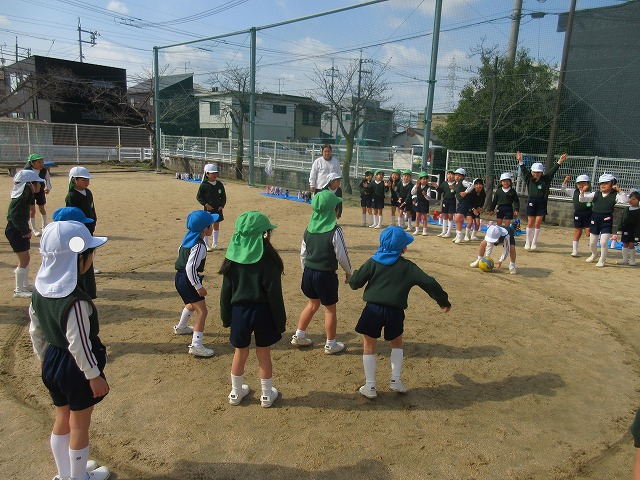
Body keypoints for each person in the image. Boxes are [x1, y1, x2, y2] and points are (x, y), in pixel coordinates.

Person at [28, 220, 111, 480]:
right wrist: (93, 375)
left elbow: (36, 330)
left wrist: (43, 358)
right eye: (90, 253)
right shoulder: (75, 301)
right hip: (76, 368)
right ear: (78, 259)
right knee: (79, 425)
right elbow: (79, 343)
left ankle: (65, 474)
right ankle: (78, 477)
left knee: (62, 417)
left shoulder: (38, 292)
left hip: (52, 360)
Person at [348, 226, 451, 398]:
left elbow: (355, 283)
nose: (407, 247)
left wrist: (353, 277)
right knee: (396, 344)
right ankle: (395, 380)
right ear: (402, 248)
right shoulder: (408, 267)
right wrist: (443, 301)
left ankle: (370, 386)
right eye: (405, 244)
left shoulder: (373, 262)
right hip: (395, 312)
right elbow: (429, 282)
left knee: (369, 346)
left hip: (372, 310)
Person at [219, 211, 286, 408]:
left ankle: (236, 392)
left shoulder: (232, 260)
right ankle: (266, 395)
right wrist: (280, 322)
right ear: (264, 234)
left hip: (239, 312)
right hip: (263, 313)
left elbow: (225, 293)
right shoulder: (271, 260)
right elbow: (275, 296)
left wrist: (226, 317)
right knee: (263, 353)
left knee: (240, 352)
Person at [292, 190, 352, 354]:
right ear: (333, 210)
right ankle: (331, 344)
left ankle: (299, 335)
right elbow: (342, 255)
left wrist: (306, 271)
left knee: (312, 304)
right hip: (325, 275)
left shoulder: (308, 229)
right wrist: (348, 272)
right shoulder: (335, 230)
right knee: (329, 309)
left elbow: (303, 254)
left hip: (309, 273)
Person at [174, 210, 220, 357]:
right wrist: (197, 285)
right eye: (211, 225)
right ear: (205, 229)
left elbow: (180, 258)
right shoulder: (199, 245)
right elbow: (191, 267)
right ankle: (196, 345)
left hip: (179, 278)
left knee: (191, 304)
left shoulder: (185, 241)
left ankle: (181, 327)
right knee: (202, 311)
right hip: (189, 279)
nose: (212, 227)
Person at [6, 169, 45, 298]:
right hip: (15, 230)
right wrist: (24, 230)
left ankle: (25, 284)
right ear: (30, 185)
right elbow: (14, 216)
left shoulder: (26, 197)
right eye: (38, 183)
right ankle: (18, 289)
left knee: (26, 258)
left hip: (19, 229)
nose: (40, 186)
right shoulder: (20, 199)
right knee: (24, 260)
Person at [517, 151, 568, 250]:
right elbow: (523, 169)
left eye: (538, 172)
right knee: (530, 222)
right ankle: (527, 241)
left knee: (537, 223)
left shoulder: (545, 179)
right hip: (532, 201)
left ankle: (534, 242)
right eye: (534, 172)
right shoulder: (528, 179)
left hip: (541, 202)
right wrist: (520, 160)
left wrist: (560, 161)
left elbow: (552, 171)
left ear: (542, 172)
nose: (536, 174)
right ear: (531, 172)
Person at [578, 173, 628, 267]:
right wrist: (582, 192)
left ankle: (602, 259)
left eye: (606, 183)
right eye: (601, 183)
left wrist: (619, 190)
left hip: (606, 219)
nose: (603, 185)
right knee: (592, 242)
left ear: (612, 184)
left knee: (604, 242)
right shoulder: (596, 194)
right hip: (595, 219)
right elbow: (582, 199)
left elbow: (624, 200)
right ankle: (594, 254)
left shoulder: (615, 195)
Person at [66, 166, 101, 290]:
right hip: (79, 227)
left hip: (89, 224)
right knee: (80, 250)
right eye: (84, 180)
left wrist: (94, 220)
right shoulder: (71, 196)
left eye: (88, 180)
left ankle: (89, 266)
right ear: (74, 180)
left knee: (89, 247)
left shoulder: (88, 192)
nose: (87, 182)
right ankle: (80, 269)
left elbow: (92, 208)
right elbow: (71, 214)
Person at [196, 163, 226, 251]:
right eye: (212, 173)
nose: (215, 175)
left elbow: (223, 196)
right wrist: (206, 204)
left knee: (216, 224)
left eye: (216, 173)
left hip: (218, 209)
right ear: (207, 174)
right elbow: (199, 197)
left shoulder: (219, 184)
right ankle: (206, 244)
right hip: (208, 209)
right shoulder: (204, 185)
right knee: (207, 226)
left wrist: (222, 205)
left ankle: (215, 243)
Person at [561, 174, 592, 257]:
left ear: (588, 184)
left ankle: (596, 242)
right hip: (578, 214)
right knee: (578, 231)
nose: (581, 185)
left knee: (588, 233)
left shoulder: (591, 194)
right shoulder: (574, 192)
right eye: (579, 183)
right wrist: (566, 180)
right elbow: (563, 189)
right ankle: (574, 250)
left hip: (589, 214)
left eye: (584, 183)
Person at [24, 153, 52, 237]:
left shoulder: (44, 170)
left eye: (42, 162)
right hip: (30, 192)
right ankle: (34, 229)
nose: (41, 164)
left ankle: (44, 225)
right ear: (32, 163)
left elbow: (48, 180)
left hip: (40, 190)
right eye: (39, 162)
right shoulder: (27, 171)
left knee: (42, 208)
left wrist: (48, 188)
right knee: (32, 210)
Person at [616, 189, 640, 266]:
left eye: (634, 199)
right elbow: (622, 219)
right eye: (630, 198)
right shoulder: (626, 209)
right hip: (626, 229)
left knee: (631, 244)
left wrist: (637, 235)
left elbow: (638, 224)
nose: (631, 200)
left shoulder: (638, 211)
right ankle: (625, 259)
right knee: (625, 243)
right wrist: (620, 229)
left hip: (634, 230)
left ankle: (632, 260)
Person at [452, 168, 474, 244]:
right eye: (456, 175)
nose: (457, 177)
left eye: (459, 175)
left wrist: (466, 192)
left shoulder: (463, 182)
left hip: (464, 202)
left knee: (457, 218)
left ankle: (460, 235)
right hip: (460, 202)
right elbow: (456, 190)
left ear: (463, 176)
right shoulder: (456, 183)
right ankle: (458, 234)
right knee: (458, 219)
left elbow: (472, 185)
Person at [432, 169, 456, 237]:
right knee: (444, 216)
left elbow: (455, 193)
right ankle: (443, 231)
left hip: (452, 201)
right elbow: (440, 191)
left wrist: (453, 189)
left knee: (450, 216)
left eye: (451, 174)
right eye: (448, 174)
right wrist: (436, 187)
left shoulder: (455, 184)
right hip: (445, 201)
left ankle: (448, 232)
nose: (450, 176)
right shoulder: (444, 183)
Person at [410, 172, 431, 236]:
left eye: (426, 179)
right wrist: (416, 186)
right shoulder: (417, 186)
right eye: (423, 179)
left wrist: (425, 195)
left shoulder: (428, 188)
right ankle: (417, 230)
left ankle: (424, 231)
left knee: (424, 217)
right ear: (420, 180)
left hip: (425, 203)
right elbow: (412, 193)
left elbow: (429, 198)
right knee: (417, 216)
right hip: (418, 202)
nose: (425, 180)